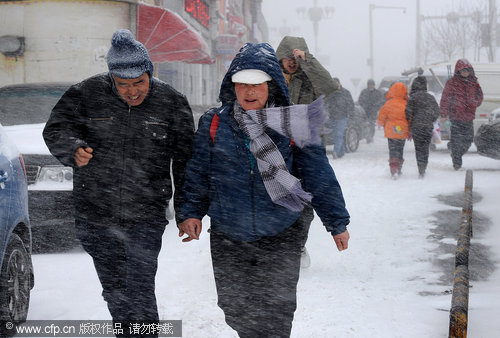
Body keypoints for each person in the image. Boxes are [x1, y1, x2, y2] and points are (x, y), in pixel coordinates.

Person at [177, 42, 350, 337]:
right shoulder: (214, 122)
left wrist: (336, 222)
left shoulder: (294, 123)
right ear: (232, 86)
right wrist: (190, 211)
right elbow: (198, 172)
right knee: (234, 307)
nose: (249, 91)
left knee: (278, 312)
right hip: (229, 234)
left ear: (272, 85)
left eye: (258, 84)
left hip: (281, 232)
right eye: (242, 84)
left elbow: (318, 173)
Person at [43, 29, 195, 331]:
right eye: (123, 84)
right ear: (111, 77)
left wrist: (187, 211)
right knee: (115, 292)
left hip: (146, 215)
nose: (132, 91)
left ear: (150, 72)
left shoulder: (171, 102)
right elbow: (55, 129)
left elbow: (186, 162)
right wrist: (72, 149)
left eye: (139, 82)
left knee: (139, 290)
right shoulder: (86, 93)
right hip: (95, 214)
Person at [275, 35, 338, 267]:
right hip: (275, 148)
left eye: (296, 58)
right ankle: (275, 248)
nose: (292, 62)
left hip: (304, 148)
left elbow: (329, 86)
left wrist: (308, 60)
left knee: (305, 202)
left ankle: (298, 245)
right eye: (288, 57)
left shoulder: (308, 79)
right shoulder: (268, 78)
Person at [440, 59, 483, 170]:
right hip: (456, 118)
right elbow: (445, 99)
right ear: (458, 71)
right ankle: (457, 164)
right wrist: (444, 114)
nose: (465, 72)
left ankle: (455, 153)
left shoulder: (474, 83)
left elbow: (480, 96)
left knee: (468, 140)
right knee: (457, 141)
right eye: (463, 70)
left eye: (467, 70)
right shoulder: (452, 83)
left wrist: (475, 102)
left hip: (469, 118)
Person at [405, 76, 441, 178]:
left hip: (417, 127)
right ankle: (423, 167)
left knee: (418, 148)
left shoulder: (413, 98)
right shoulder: (430, 97)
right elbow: (437, 111)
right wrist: (431, 119)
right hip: (428, 127)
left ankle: (420, 168)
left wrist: (411, 119)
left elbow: (407, 113)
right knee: (425, 148)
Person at [377, 82, 409, 179]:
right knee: (400, 149)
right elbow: (409, 117)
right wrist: (410, 127)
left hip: (391, 130)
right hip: (402, 130)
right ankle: (399, 167)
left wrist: (380, 123)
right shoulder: (405, 104)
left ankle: (393, 169)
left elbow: (382, 115)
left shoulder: (388, 104)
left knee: (392, 149)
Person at [324, 77, 355, 159]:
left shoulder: (346, 92)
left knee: (339, 134)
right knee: (335, 135)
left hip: (342, 117)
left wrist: (349, 114)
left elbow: (351, 104)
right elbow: (325, 103)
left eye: (336, 83)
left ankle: (336, 152)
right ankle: (341, 151)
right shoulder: (330, 93)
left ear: (339, 83)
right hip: (332, 117)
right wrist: (326, 111)